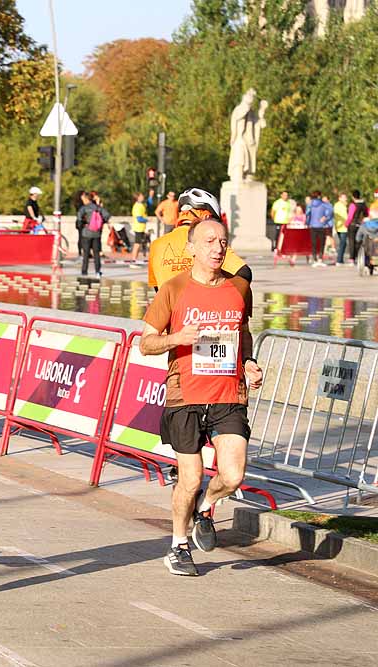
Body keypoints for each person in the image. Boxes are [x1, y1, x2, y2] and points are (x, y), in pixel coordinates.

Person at [140, 215, 264, 576]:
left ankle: (207, 507)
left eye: (222, 241)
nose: (217, 248)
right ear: (191, 247)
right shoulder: (174, 289)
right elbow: (145, 343)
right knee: (190, 478)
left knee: (234, 474)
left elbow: (243, 333)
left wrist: (249, 362)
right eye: (209, 241)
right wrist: (176, 339)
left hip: (228, 394)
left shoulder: (239, 288)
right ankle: (178, 546)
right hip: (185, 396)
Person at [148, 188, 251, 289]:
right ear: (206, 218)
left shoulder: (156, 245)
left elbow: (157, 287)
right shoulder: (210, 242)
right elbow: (244, 273)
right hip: (203, 305)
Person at [77, 191, 109, 276]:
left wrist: (81, 226)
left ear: (86, 199)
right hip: (96, 233)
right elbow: (107, 215)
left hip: (86, 233)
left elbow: (79, 221)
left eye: (83, 199)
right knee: (96, 253)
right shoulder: (98, 208)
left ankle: (84, 271)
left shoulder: (83, 208)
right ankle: (97, 271)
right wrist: (100, 223)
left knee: (86, 253)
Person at [305, 191, 332, 266]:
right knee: (322, 243)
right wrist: (326, 218)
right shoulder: (324, 204)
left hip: (312, 226)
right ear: (319, 196)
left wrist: (307, 223)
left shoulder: (310, 204)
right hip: (321, 225)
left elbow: (307, 214)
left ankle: (314, 259)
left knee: (314, 243)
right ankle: (320, 258)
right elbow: (331, 211)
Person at [347, 189, 368, 264]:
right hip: (361, 225)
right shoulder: (364, 204)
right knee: (359, 241)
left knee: (351, 241)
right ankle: (359, 257)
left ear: (353, 197)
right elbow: (367, 214)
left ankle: (352, 258)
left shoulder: (353, 205)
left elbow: (350, 216)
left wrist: (346, 224)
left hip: (352, 225)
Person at [129, 192, 149, 264]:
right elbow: (139, 219)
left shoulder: (141, 205)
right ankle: (133, 261)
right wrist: (147, 220)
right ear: (138, 198)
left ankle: (135, 260)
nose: (143, 197)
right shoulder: (138, 206)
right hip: (138, 228)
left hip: (141, 228)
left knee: (138, 244)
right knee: (137, 244)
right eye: (141, 196)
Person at [333, 192, 349, 264]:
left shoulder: (344, 205)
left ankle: (340, 259)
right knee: (343, 243)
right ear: (339, 198)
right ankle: (339, 260)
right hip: (342, 227)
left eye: (345, 197)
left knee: (343, 243)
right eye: (344, 197)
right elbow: (340, 216)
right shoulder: (338, 205)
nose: (345, 198)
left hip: (343, 226)